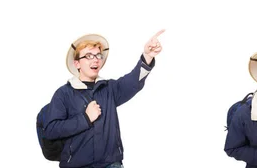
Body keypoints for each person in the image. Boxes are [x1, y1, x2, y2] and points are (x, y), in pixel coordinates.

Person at [42, 30, 165, 168]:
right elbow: (51, 130)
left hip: (111, 164)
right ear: (77, 63)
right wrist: (85, 118)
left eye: (98, 55)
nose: (95, 59)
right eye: (89, 55)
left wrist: (147, 56)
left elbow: (133, 82)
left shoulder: (109, 88)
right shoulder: (63, 94)